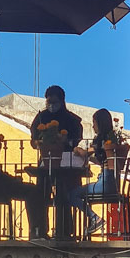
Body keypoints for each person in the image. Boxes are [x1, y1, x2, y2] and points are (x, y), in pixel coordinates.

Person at [29, 86, 83, 238]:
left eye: (54, 101)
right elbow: (33, 139)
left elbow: (76, 139)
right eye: (48, 101)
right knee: (40, 193)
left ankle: (64, 230)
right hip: (46, 163)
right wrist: (38, 143)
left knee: (64, 194)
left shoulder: (72, 120)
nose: (51, 105)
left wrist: (66, 140)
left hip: (66, 164)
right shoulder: (40, 118)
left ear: (61, 101)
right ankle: (39, 230)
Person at [68, 108, 119, 236]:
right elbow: (100, 159)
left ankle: (94, 218)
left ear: (100, 123)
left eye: (94, 122)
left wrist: (78, 150)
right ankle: (92, 221)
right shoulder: (111, 139)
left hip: (105, 184)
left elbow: (86, 152)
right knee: (79, 193)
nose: (93, 126)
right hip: (112, 182)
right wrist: (89, 158)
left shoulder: (103, 141)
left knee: (72, 194)